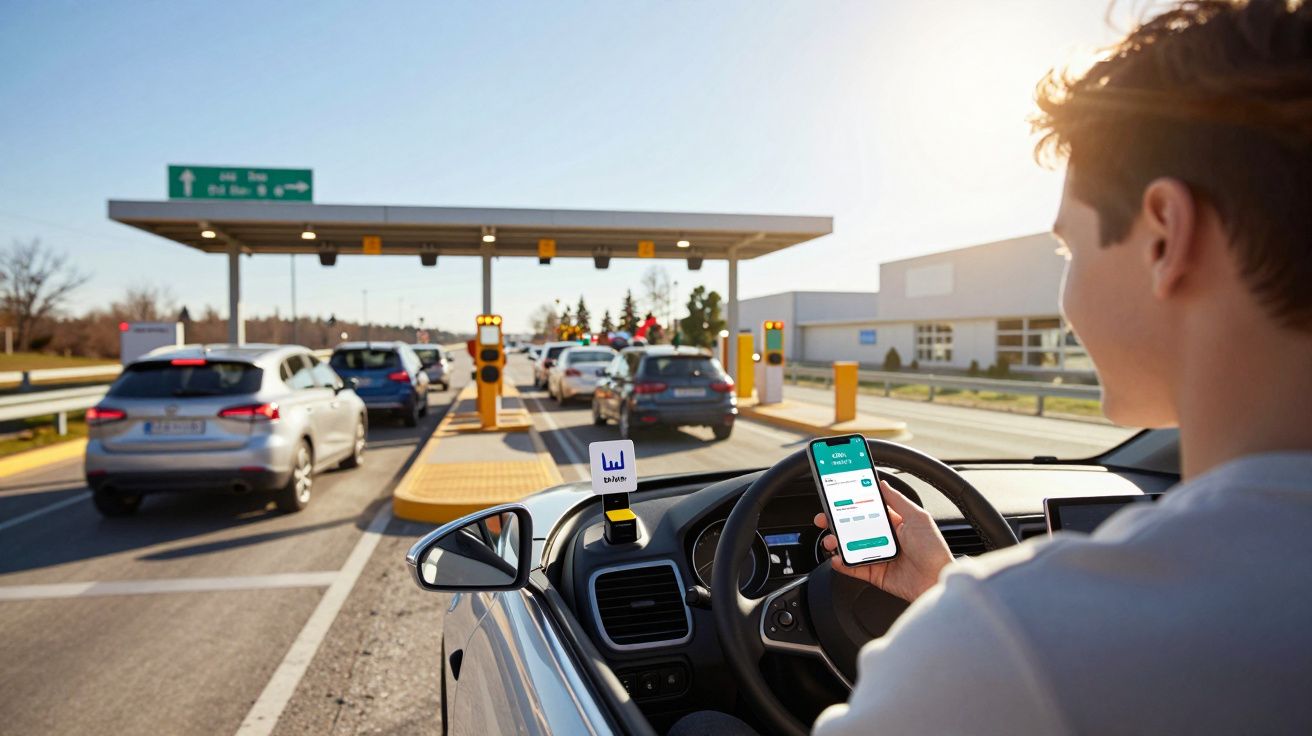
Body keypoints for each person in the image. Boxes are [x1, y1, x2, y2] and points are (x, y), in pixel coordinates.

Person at [673, 1, 1312, 734]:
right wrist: (939, 585)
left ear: (1165, 237)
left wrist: (963, 617)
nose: (1063, 291)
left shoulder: (1011, 637)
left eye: (1068, 250)